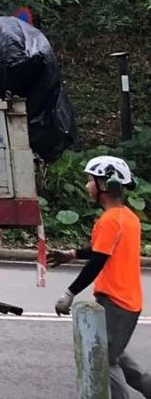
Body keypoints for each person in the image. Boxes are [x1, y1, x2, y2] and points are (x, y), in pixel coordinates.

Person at [48, 155, 151, 398]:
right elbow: (101, 250)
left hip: (117, 301)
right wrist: (72, 253)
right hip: (125, 300)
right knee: (119, 357)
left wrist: (69, 293)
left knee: (107, 362)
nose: (87, 186)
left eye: (90, 180)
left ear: (106, 185)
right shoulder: (128, 217)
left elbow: (97, 261)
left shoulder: (110, 220)